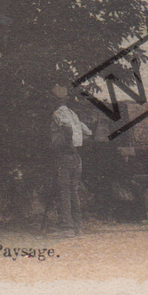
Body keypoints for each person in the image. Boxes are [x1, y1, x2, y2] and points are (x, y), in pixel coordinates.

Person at [50, 84, 91, 236]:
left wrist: (67, 145)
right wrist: (75, 146)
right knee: (73, 191)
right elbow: (86, 133)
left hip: (65, 156)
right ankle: (77, 226)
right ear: (66, 99)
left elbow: (67, 130)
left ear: (54, 100)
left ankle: (67, 227)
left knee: (64, 191)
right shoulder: (73, 114)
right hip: (76, 157)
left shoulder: (57, 114)